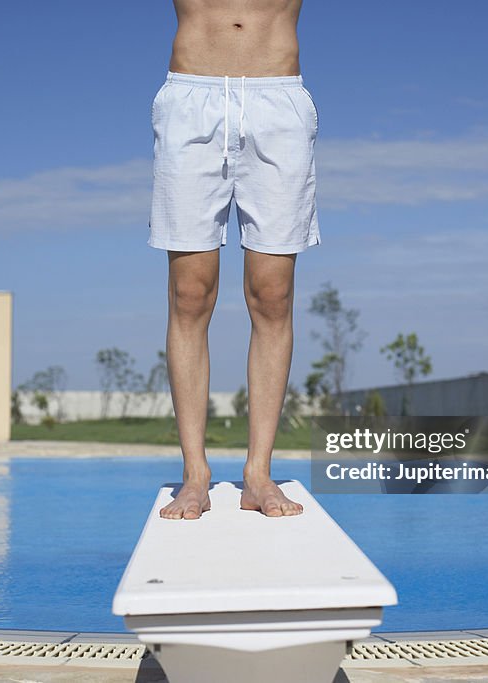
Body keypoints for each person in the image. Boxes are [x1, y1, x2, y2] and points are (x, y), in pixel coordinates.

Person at [148, 0, 319, 519]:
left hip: (278, 100)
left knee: (273, 294)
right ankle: (195, 473)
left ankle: (258, 473)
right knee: (190, 292)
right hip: (192, 94)